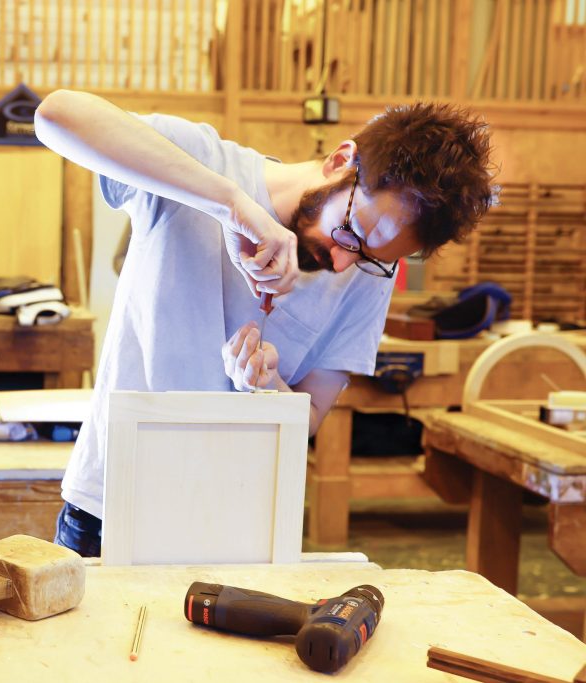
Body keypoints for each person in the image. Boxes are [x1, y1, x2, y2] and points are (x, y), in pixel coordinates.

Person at [34, 90, 496, 557]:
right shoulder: (206, 162)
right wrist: (230, 205)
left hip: (237, 526)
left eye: (371, 258)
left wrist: (269, 383)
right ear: (340, 161)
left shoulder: (367, 274)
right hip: (110, 506)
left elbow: (309, 417)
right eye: (351, 232)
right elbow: (57, 116)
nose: (342, 263)